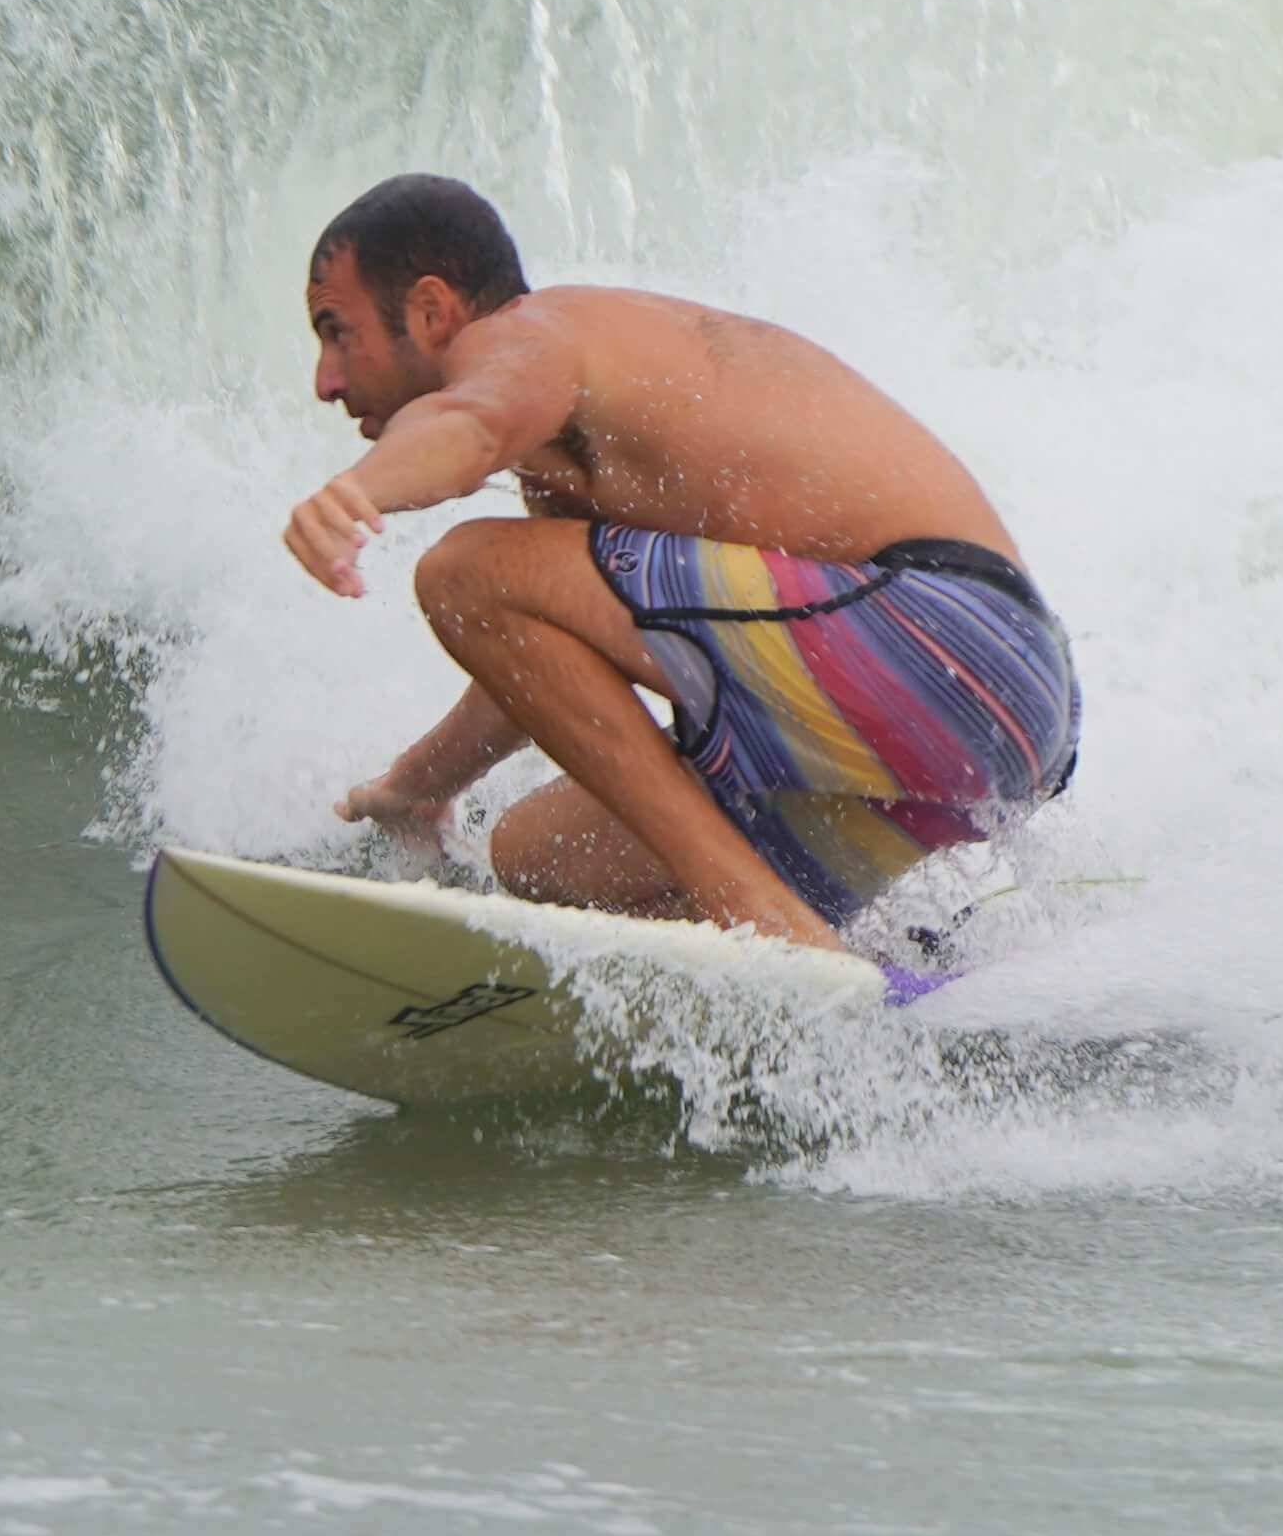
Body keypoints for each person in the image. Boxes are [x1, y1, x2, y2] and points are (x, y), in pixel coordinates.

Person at [284, 174, 1076, 959]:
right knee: (539, 858)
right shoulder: (561, 461)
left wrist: (356, 494)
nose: (326, 380)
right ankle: (852, 982)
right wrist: (420, 786)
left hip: (954, 641)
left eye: (336, 330)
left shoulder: (534, 335)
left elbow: (471, 427)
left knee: (460, 570)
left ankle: (763, 917)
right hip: (984, 734)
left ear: (429, 310)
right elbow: (534, 670)